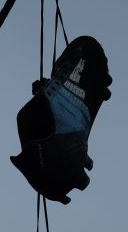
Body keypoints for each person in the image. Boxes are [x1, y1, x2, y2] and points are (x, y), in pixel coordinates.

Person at [11, 36, 112, 204]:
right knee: (28, 118)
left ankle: (65, 153)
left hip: (51, 156)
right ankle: (66, 153)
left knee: (27, 117)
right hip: (53, 156)